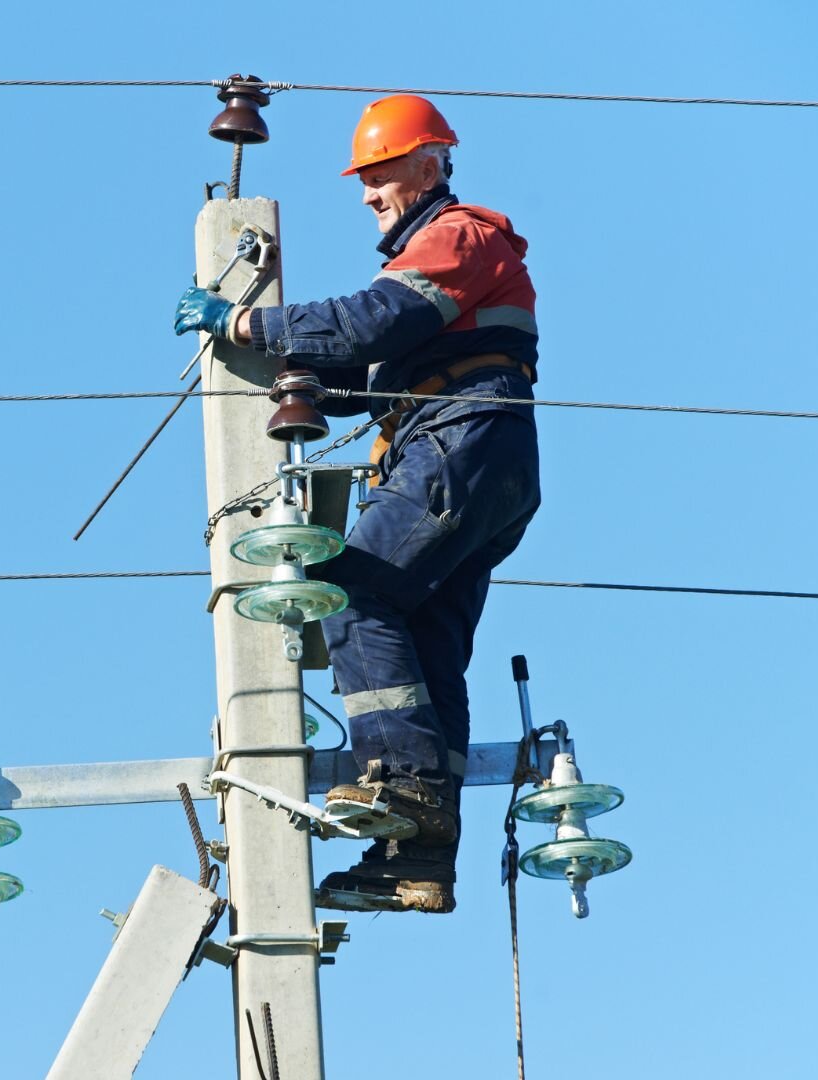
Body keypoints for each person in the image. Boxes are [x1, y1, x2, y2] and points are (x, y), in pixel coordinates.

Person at [173, 95, 541, 913]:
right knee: (423, 641)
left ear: (432, 161)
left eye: (379, 173)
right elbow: (363, 373)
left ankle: (403, 785)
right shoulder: (443, 264)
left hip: (461, 438)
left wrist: (243, 322)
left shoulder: (459, 236)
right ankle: (420, 857)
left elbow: (367, 326)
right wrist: (293, 365)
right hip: (480, 453)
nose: (369, 192)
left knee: (351, 589)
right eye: (364, 178)